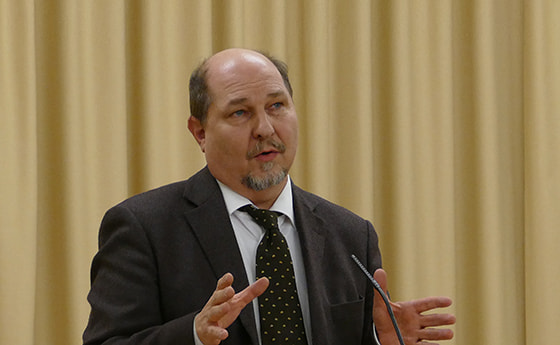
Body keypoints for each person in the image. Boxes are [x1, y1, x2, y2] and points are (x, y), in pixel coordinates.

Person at [83, 48, 455, 345]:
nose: (265, 128)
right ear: (199, 132)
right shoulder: (144, 227)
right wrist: (193, 336)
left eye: (277, 106)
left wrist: (377, 341)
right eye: (241, 112)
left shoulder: (351, 235)